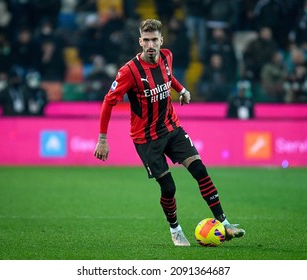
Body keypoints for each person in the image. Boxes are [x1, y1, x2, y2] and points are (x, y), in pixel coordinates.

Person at [93, 19, 245, 246]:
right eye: (146, 40)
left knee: (200, 170)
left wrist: (181, 89)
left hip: (171, 127)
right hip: (146, 139)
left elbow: (167, 76)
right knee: (169, 187)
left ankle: (224, 223)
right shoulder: (129, 72)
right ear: (140, 42)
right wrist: (102, 139)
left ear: (161, 40)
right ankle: (175, 229)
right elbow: (108, 101)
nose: (151, 44)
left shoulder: (167, 56)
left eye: (155, 39)